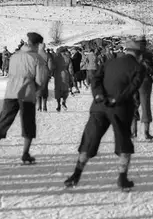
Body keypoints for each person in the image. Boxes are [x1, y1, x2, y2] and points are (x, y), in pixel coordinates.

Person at [63, 37, 147, 191]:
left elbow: (95, 80)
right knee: (124, 143)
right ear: (139, 54)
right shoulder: (138, 67)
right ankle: (122, 179)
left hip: (99, 106)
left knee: (89, 140)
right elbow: (132, 88)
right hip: (120, 108)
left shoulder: (109, 62)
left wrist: (99, 95)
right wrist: (117, 99)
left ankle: (76, 175)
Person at [0, 32, 50, 164]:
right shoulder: (37, 58)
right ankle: (25, 154)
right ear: (37, 44)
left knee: (3, 122)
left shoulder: (15, 56)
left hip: (11, 92)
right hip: (27, 93)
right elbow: (41, 80)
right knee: (28, 123)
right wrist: (34, 88)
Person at [134, 44, 153, 140]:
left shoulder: (132, 55)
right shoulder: (149, 55)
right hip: (145, 82)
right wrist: (151, 79)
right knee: (146, 106)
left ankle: (133, 132)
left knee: (133, 106)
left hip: (134, 81)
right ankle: (146, 133)